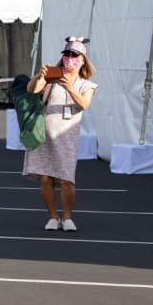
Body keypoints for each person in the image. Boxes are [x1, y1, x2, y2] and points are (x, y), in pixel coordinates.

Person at [23, 36, 98, 232]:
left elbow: (83, 105)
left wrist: (69, 87)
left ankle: (67, 217)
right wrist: (41, 76)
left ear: (82, 60)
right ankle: (53, 217)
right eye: (67, 54)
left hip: (67, 135)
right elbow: (32, 90)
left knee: (66, 180)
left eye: (74, 55)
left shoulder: (87, 85)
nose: (70, 58)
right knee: (46, 178)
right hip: (45, 132)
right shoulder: (52, 77)